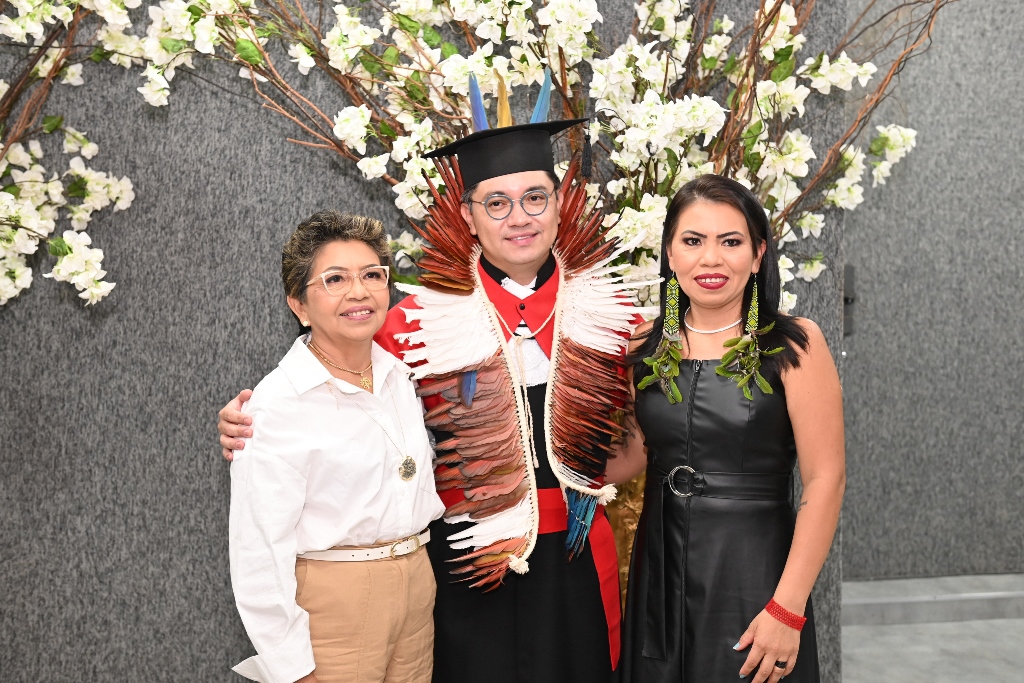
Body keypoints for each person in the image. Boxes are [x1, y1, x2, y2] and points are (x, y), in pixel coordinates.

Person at [220, 75, 652, 682]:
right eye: (496, 203)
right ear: (469, 216)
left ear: (560, 204)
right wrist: (247, 423)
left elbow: (657, 420)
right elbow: (338, 383)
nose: (519, 218)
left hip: (579, 558)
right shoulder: (414, 326)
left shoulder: (611, 315)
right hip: (465, 571)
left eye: (535, 198)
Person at [606, 175, 845, 683]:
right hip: (661, 573)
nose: (710, 259)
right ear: (670, 254)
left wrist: (786, 609)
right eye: (693, 241)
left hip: (754, 572)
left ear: (758, 255)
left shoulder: (795, 345)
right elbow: (631, 457)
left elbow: (826, 481)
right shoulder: (643, 347)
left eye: (730, 242)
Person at [228, 211, 445, 683]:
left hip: (416, 586)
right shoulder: (277, 403)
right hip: (335, 603)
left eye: (372, 275)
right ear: (299, 305)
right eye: (335, 279)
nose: (359, 292)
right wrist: (290, 666)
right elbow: (259, 548)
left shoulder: (400, 376)